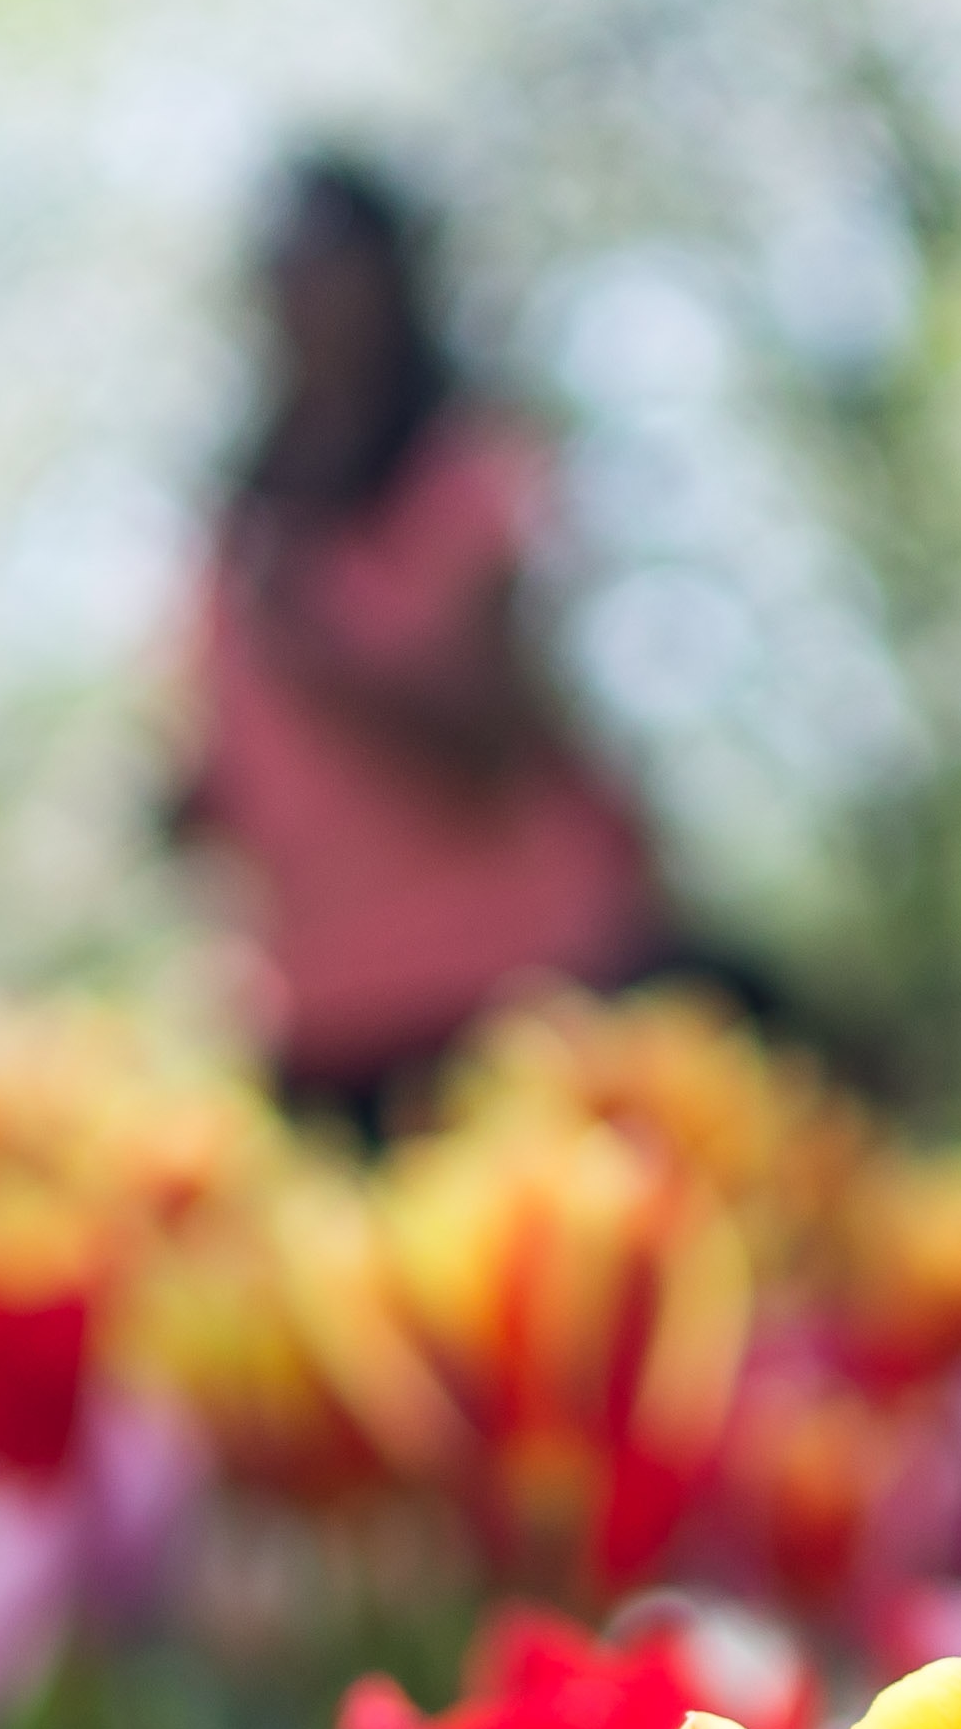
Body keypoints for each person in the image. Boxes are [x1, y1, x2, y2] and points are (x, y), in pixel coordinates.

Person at [177, 154, 667, 1135]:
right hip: (313, 1013)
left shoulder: (468, 474)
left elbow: (489, 744)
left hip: (498, 996)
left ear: (393, 280)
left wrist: (319, 651)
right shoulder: (239, 524)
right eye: (283, 267)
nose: (304, 294)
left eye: (330, 263)